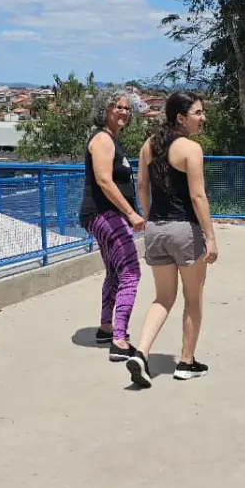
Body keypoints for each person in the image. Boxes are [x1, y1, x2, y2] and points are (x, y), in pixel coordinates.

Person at [125, 91, 217, 388]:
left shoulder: (148, 146)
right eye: (198, 113)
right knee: (193, 299)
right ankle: (186, 362)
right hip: (184, 231)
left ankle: (140, 352)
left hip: (155, 229)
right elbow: (197, 195)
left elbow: (141, 186)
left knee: (162, 298)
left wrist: (150, 217)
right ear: (181, 117)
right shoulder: (191, 149)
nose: (203, 118)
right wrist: (211, 237)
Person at [80, 90, 145, 363]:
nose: (124, 113)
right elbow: (104, 181)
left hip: (103, 214)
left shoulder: (111, 140)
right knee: (131, 271)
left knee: (114, 273)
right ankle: (120, 340)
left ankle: (106, 328)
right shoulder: (103, 139)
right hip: (105, 214)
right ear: (105, 109)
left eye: (128, 109)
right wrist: (131, 214)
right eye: (119, 107)